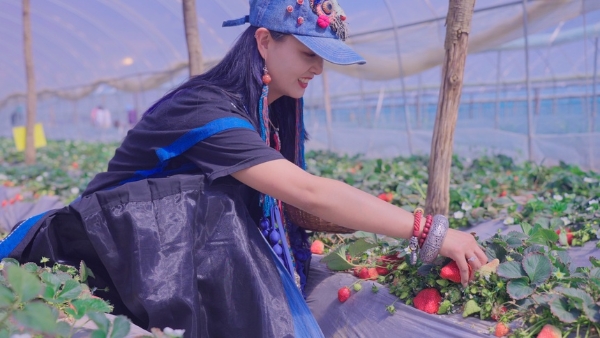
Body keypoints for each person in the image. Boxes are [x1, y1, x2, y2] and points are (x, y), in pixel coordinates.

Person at [0, 0, 486, 337]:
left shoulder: (274, 109)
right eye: (307, 53)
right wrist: (428, 231)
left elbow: (299, 204)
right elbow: (307, 191)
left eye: (324, 58)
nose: (317, 68)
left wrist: (371, 228)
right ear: (262, 40)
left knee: (225, 208)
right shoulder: (206, 109)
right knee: (214, 207)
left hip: (154, 253)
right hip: (95, 249)